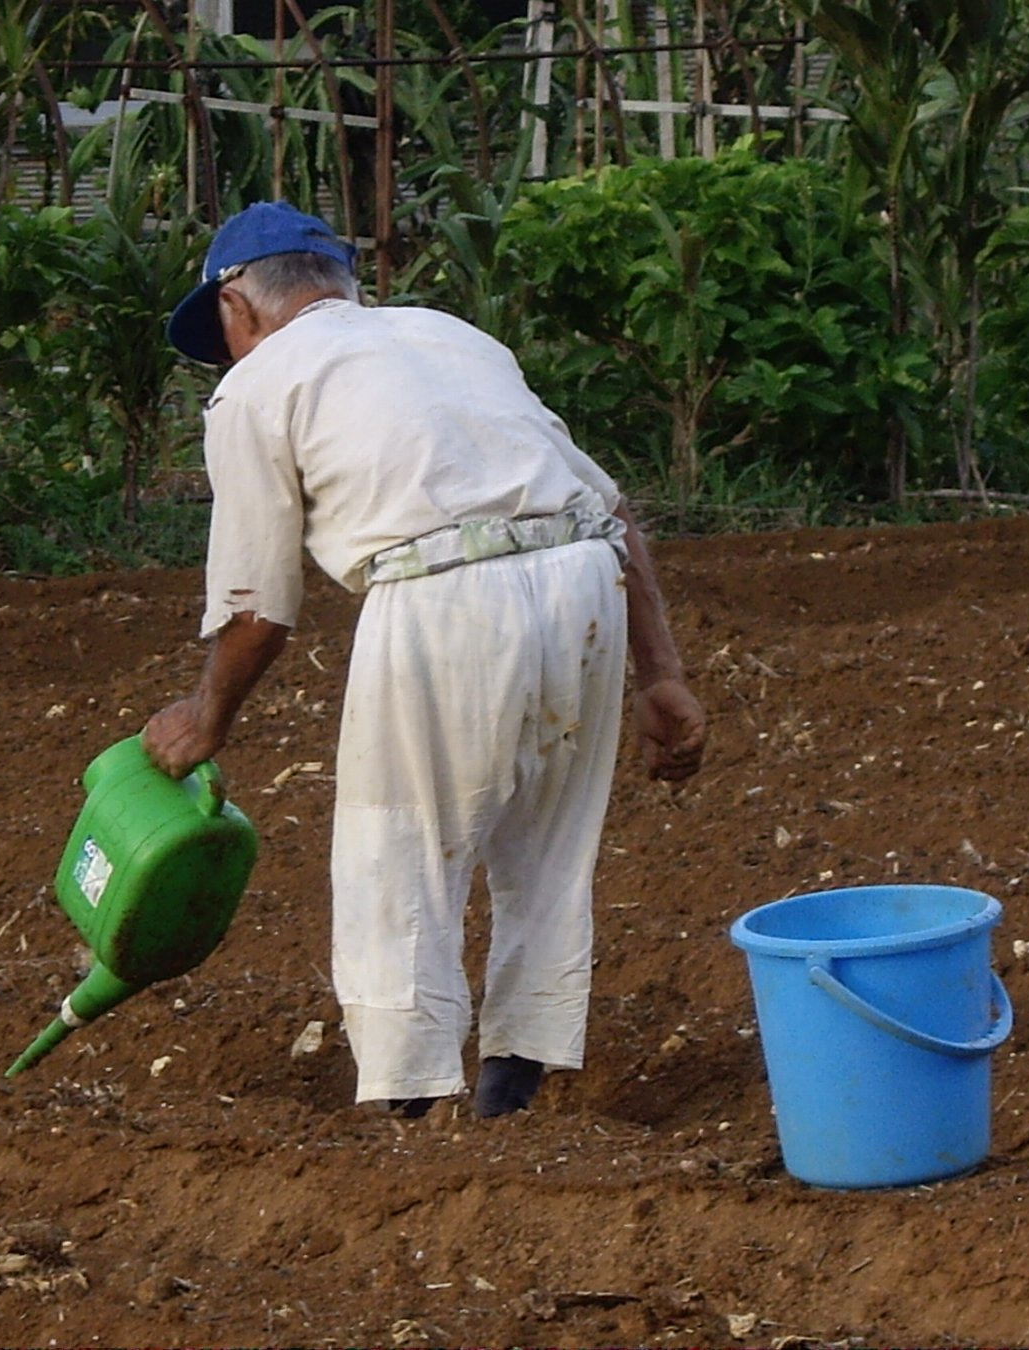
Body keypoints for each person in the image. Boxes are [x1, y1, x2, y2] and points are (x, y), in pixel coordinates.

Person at [143, 200, 707, 1120]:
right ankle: (512, 1091)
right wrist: (662, 675)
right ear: (340, 285)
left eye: (221, 331)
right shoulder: (452, 338)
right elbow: (609, 505)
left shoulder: (255, 386)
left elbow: (256, 607)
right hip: (582, 579)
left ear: (237, 307)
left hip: (444, 596)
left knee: (395, 854)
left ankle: (411, 1105)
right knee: (548, 851)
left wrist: (207, 716)